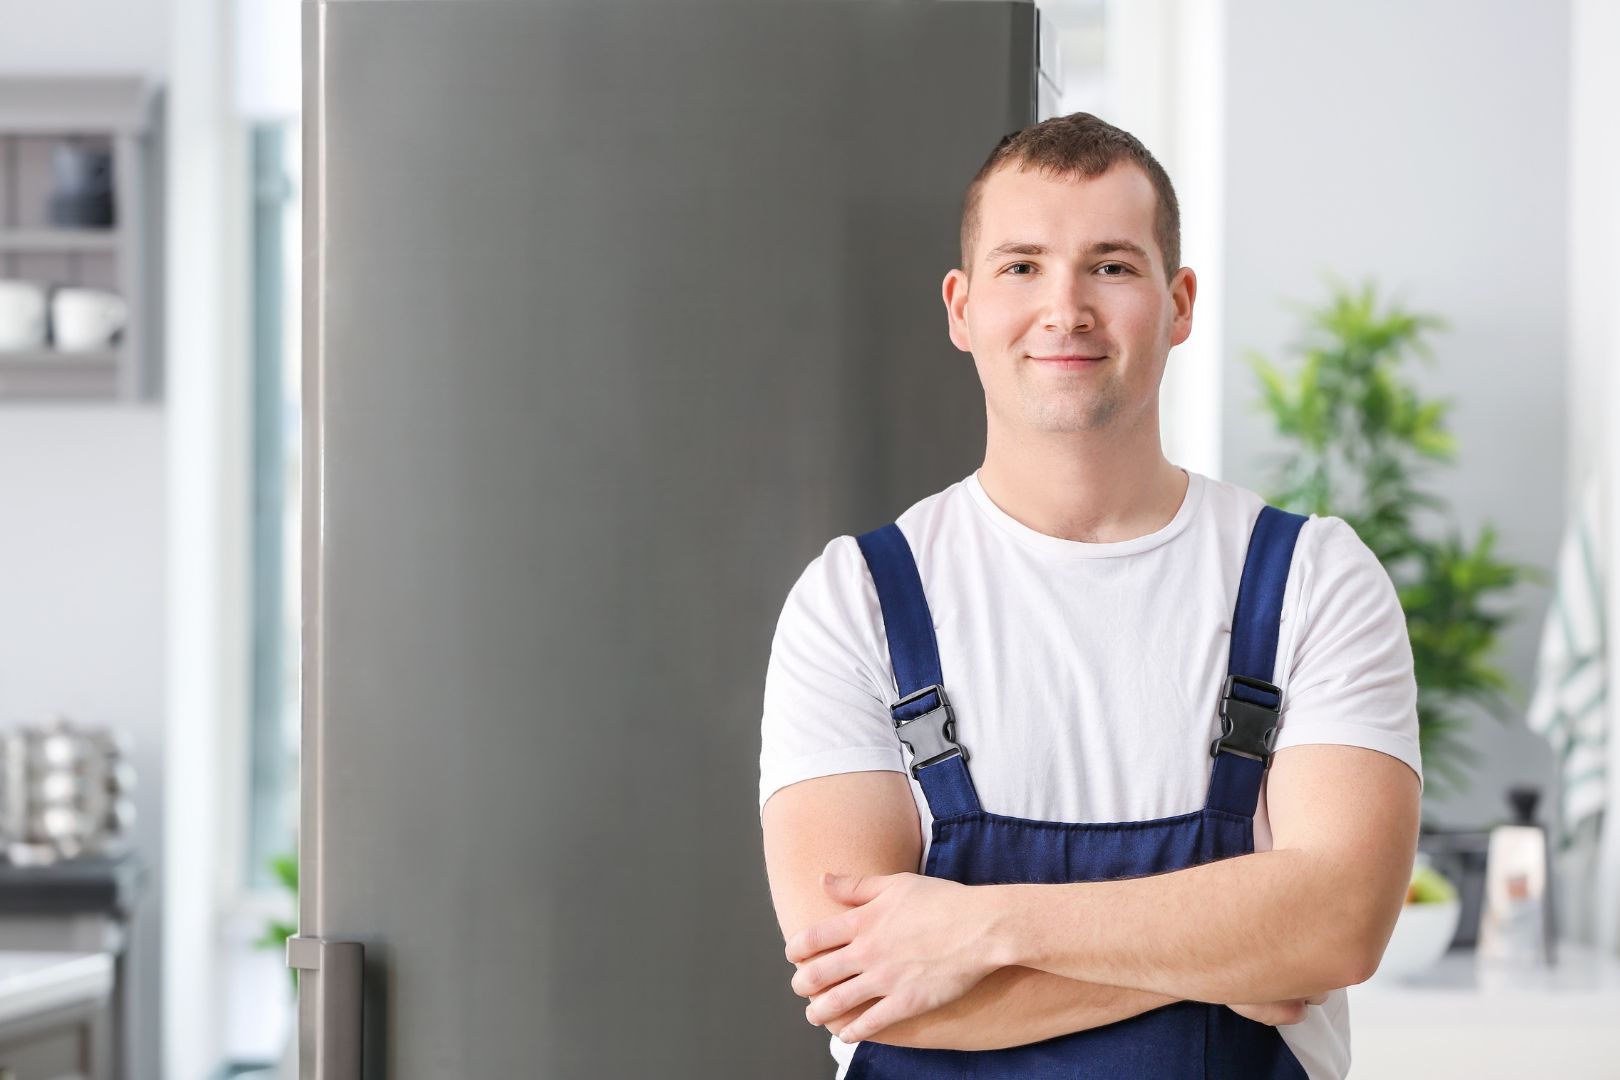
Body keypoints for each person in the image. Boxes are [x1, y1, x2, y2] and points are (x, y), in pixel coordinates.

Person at [757, 111, 1422, 1080]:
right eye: (1021, 266)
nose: (1064, 309)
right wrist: (1228, 945)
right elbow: (859, 983)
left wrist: (976, 928)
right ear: (961, 306)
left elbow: (1342, 923)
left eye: (1111, 266)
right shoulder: (854, 602)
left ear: (1180, 301)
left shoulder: (1314, 581)